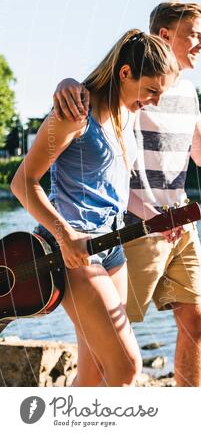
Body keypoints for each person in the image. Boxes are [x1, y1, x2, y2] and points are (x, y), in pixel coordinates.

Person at [51, 2, 201, 386]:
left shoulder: (186, 91)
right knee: (105, 347)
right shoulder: (137, 89)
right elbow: (106, 134)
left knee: (197, 318)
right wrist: (66, 83)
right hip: (135, 226)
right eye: (195, 35)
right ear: (165, 36)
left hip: (179, 220)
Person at [11, 30, 180, 386]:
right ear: (125, 74)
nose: (154, 100)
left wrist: (153, 216)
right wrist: (65, 235)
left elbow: (115, 189)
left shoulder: (126, 115)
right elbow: (23, 182)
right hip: (72, 251)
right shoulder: (75, 115)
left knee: (97, 369)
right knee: (127, 366)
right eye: (151, 90)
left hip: (111, 248)